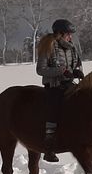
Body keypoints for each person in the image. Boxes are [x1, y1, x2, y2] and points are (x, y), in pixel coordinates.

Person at [35, 18, 84, 162]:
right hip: (54, 86)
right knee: (54, 110)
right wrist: (61, 72)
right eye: (68, 34)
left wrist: (77, 72)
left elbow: (77, 65)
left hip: (69, 84)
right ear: (60, 34)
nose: (70, 37)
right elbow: (41, 69)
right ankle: (49, 147)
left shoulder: (72, 47)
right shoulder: (48, 46)